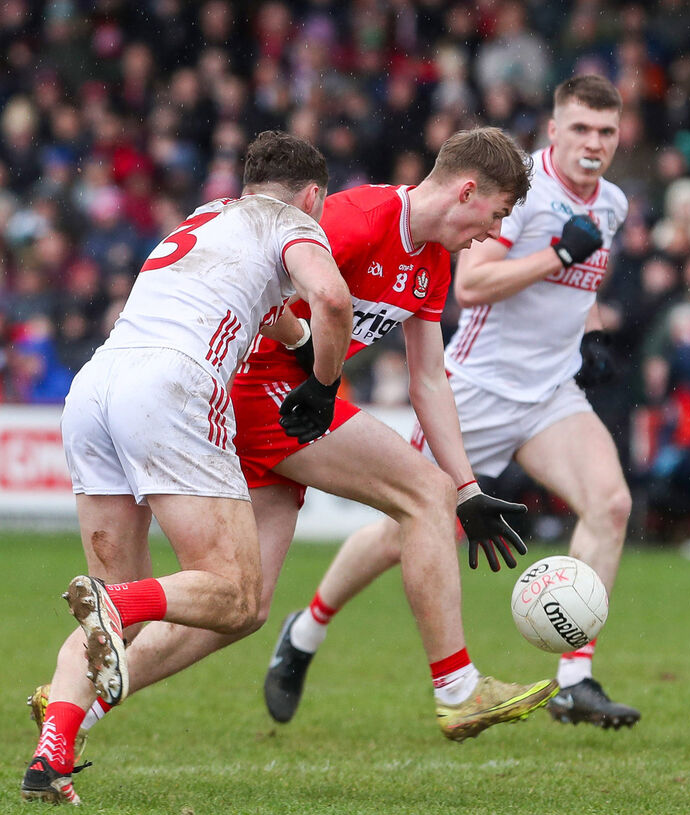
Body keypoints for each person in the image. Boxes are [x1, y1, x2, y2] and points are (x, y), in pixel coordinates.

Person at [27, 127, 557, 776]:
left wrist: (470, 486)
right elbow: (283, 286)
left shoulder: (434, 262)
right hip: (260, 390)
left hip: (266, 401)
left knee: (238, 607)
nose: (492, 233)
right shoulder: (352, 215)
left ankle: (74, 705)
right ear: (468, 190)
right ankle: (458, 687)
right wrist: (323, 379)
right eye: (497, 214)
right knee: (424, 492)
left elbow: (427, 380)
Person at [269, 75, 640, 730]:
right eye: (581, 128)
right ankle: (306, 628)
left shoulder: (611, 203)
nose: (594, 143)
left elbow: (572, 293)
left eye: (607, 131)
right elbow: (474, 283)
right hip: (478, 388)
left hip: (551, 391)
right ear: (554, 130)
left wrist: (594, 330)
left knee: (611, 503)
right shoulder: (520, 190)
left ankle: (574, 679)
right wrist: (556, 254)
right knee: (401, 531)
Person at [21, 130, 353, 805]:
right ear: (313, 196)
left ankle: (50, 755)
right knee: (236, 595)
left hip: (96, 386)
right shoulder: (291, 221)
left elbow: (283, 320)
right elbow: (333, 298)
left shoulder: (205, 218)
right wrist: (323, 383)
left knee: (123, 619)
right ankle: (115, 603)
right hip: (171, 386)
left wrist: (302, 346)